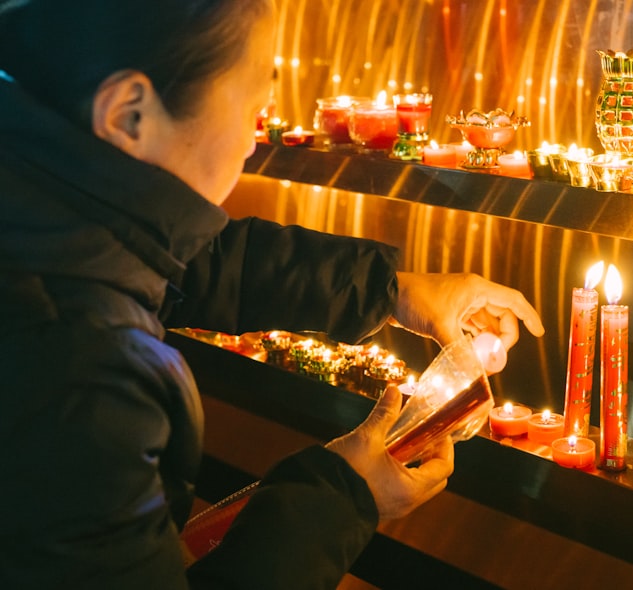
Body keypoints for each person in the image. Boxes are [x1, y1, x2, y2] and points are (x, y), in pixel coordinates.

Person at [0, 1, 544, 588]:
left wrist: (390, 291)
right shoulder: (78, 374)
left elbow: (184, 260)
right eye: (253, 109)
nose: (251, 145)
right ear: (129, 113)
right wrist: (340, 496)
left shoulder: (45, 207)